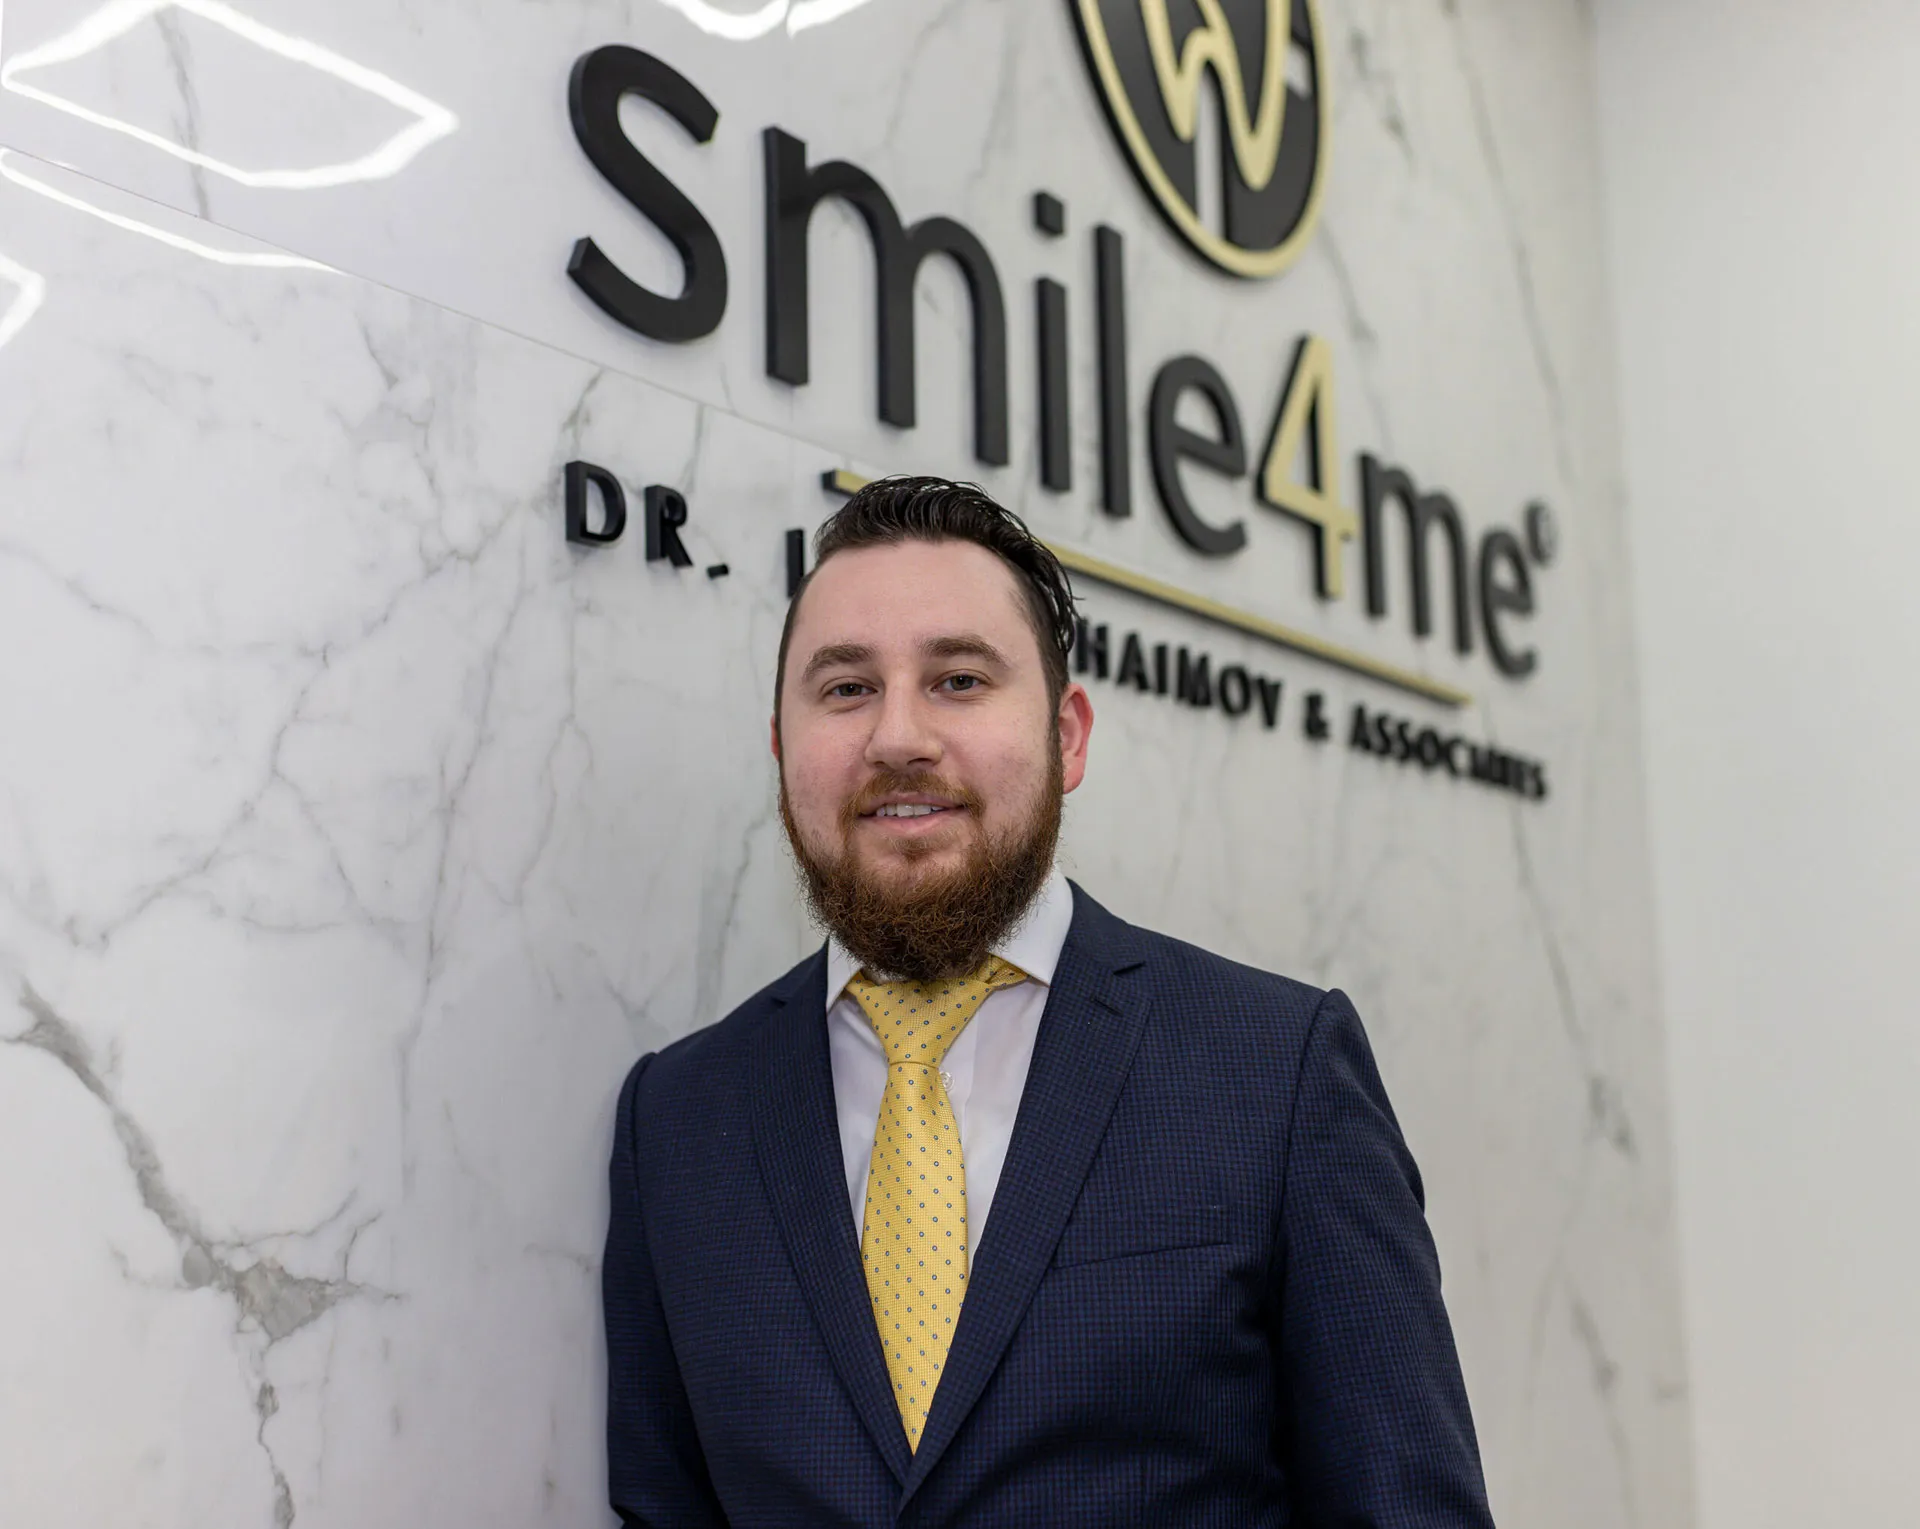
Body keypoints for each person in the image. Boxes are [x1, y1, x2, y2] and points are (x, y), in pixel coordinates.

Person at [602, 476, 1495, 1526]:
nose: (898, 734)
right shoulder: (677, 1116)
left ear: (1068, 735)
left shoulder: (1277, 1070)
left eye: (960, 679)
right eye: (845, 688)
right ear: (780, 743)